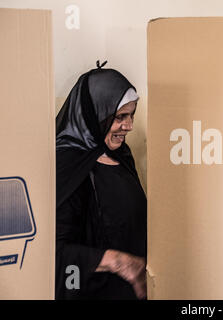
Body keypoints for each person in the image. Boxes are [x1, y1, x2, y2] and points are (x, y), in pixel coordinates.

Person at [55, 61, 147, 300]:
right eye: (120, 117)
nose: (129, 126)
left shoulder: (122, 156)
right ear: (95, 114)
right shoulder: (67, 167)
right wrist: (117, 261)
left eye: (132, 115)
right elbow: (54, 254)